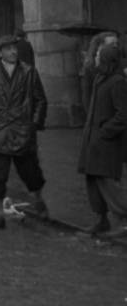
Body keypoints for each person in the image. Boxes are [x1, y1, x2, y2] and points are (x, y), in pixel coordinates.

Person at [0, 34, 48, 229]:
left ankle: (38, 200)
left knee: (31, 174)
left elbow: (40, 100)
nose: (13, 51)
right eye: (8, 49)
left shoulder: (29, 72)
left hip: (22, 131)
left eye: (14, 48)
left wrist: (34, 124)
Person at [77, 43, 127, 235]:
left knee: (109, 184)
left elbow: (123, 114)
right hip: (93, 140)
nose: (95, 57)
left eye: (98, 55)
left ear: (106, 59)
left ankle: (124, 220)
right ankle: (101, 219)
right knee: (93, 180)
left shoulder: (117, 82)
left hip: (107, 142)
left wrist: (105, 132)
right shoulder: (100, 78)